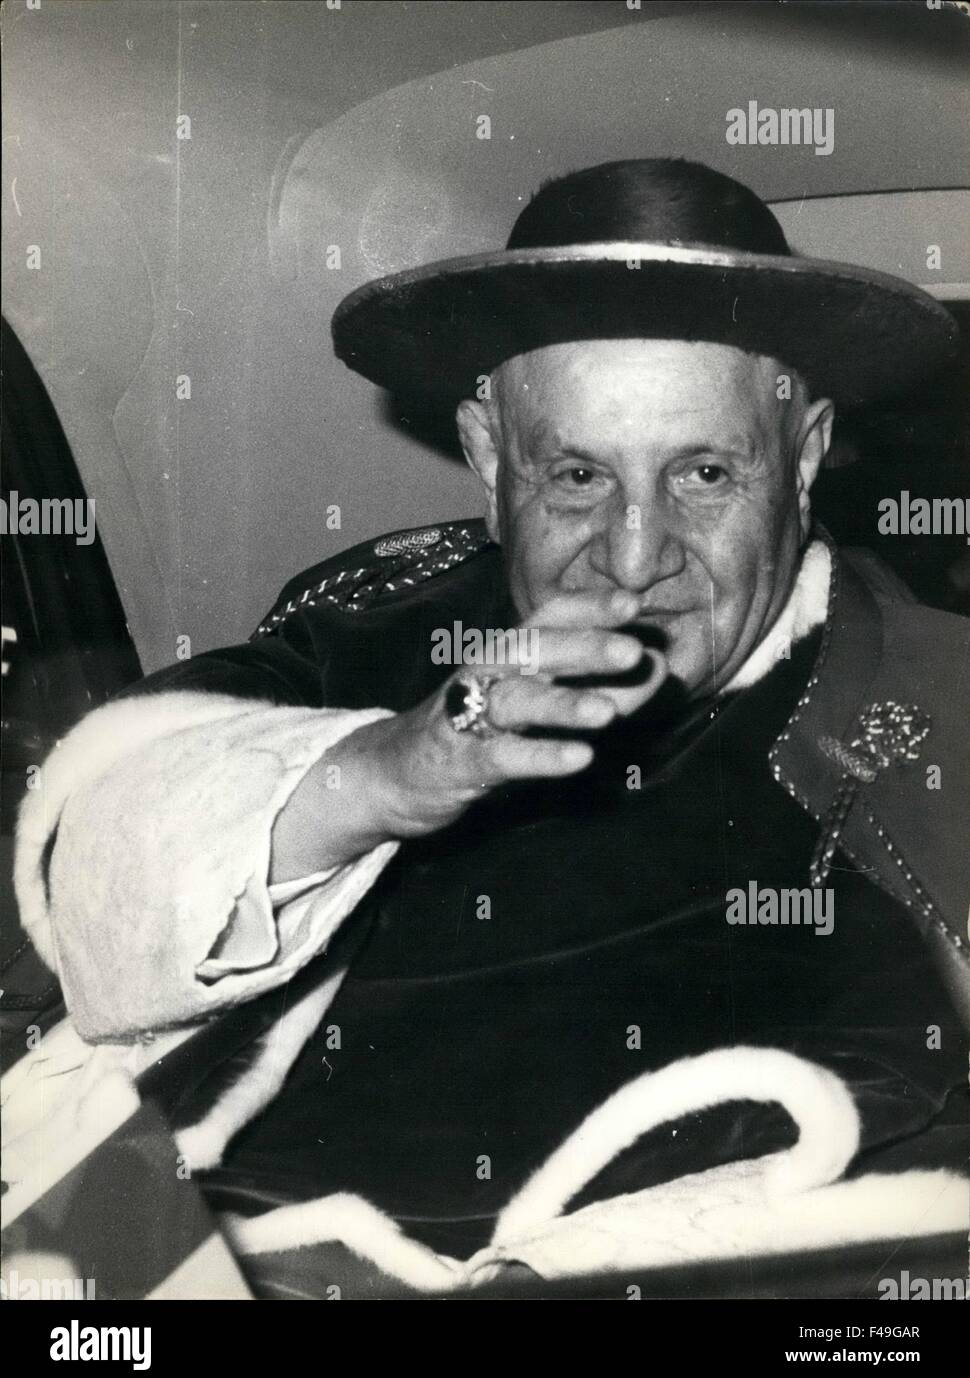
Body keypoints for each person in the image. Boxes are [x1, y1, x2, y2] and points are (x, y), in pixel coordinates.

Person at [7, 158, 969, 1292]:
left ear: (801, 460)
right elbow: (83, 851)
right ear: (486, 455)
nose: (632, 553)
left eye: (704, 474)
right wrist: (376, 776)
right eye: (575, 476)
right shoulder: (367, 621)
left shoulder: (935, 706)